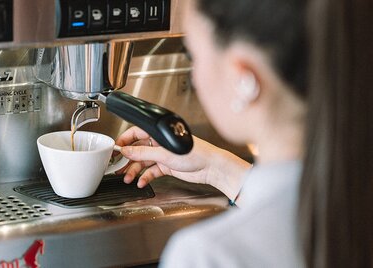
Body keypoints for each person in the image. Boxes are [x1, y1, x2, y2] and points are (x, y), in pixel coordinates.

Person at [116, 0, 373, 267]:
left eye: (193, 55)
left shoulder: (206, 255)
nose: (194, 76)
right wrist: (215, 168)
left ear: (245, 80)